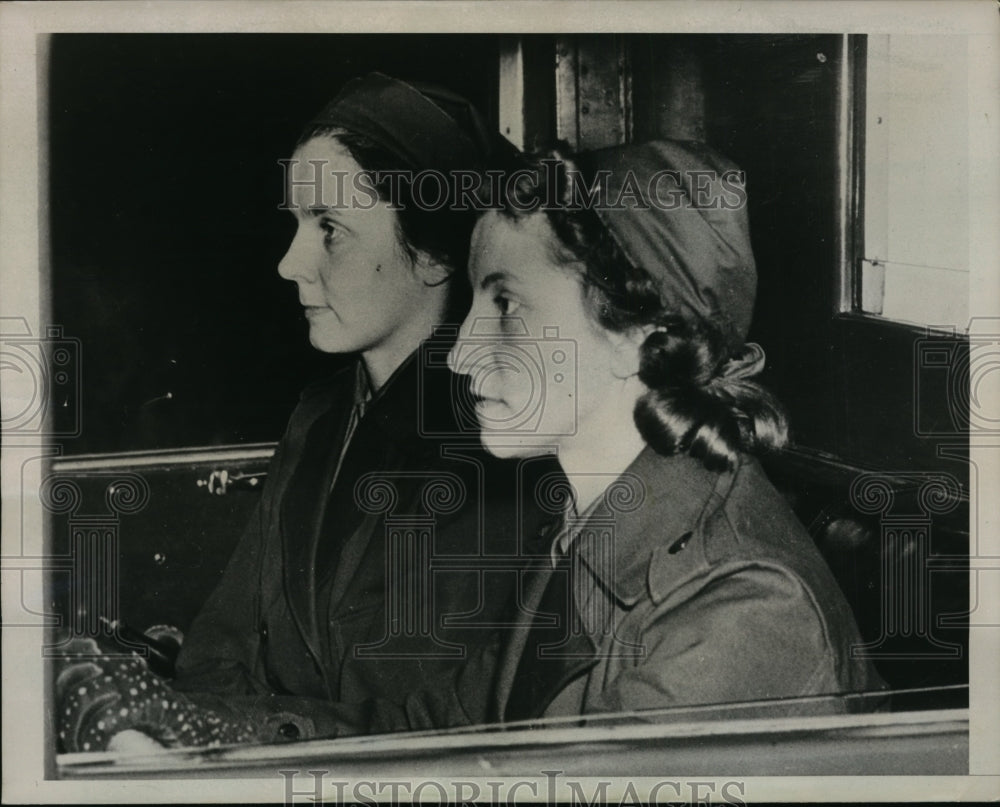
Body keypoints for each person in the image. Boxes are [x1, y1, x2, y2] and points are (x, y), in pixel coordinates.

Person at [313, 139, 885, 734]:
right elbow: (449, 727)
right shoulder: (585, 518)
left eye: (506, 304)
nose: (460, 354)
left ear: (636, 335)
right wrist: (236, 732)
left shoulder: (741, 609)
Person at [54, 73, 553, 752]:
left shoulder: (502, 448)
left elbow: (434, 725)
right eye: (296, 223)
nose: (291, 262)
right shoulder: (320, 416)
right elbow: (220, 647)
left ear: (435, 253)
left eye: (331, 230)